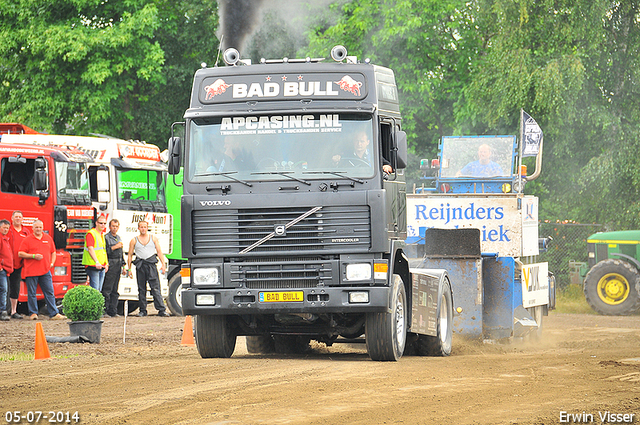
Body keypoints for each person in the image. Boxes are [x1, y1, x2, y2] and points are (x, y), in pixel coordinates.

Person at [18, 219, 65, 320]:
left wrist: (52, 263)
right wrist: (33, 256)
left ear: (42, 228)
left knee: (49, 292)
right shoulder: (27, 239)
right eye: (36, 227)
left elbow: (53, 252)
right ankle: (33, 313)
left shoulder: (48, 238)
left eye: (40, 227)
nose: (38, 229)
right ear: (33, 228)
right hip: (31, 271)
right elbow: (20, 253)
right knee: (32, 293)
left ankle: (54, 314)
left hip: (45, 270)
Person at [126, 221, 169, 317]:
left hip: (151, 265)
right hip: (140, 265)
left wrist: (163, 264)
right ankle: (142, 310)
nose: (143, 229)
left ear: (147, 228)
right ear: (138, 228)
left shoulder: (153, 238)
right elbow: (130, 255)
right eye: (141, 227)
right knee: (141, 289)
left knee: (155, 288)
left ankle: (161, 309)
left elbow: (159, 251)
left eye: (144, 227)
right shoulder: (134, 240)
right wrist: (129, 269)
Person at [7, 210, 30, 319]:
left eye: (19, 217)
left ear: (22, 219)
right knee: (4, 287)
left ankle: (13, 311)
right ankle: (3, 310)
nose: (17, 218)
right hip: (6, 264)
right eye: (16, 217)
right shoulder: (7, 230)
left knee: (15, 287)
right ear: (12, 218)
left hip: (19, 264)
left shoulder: (26, 232)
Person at [102, 219, 125, 318]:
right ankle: (104, 310)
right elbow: (105, 251)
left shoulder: (118, 237)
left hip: (118, 265)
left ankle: (113, 310)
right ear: (109, 227)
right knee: (107, 289)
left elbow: (121, 253)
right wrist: (115, 247)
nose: (114, 228)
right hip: (111, 264)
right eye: (113, 226)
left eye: (116, 226)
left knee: (115, 289)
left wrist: (123, 266)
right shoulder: (106, 238)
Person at [83, 216, 109, 291]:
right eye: (101, 223)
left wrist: (106, 263)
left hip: (101, 265)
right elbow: (90, 248)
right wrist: (96, 262)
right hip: (93, 265)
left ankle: (96, 303)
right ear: (96, 223)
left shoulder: (101, 235)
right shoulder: (91, 233)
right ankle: (94, 303)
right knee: (95, 290)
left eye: (104, 223)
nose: (103, 225)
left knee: (99, 290)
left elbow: (103, 250)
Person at [0, 219, 13, 321]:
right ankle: (3, 311)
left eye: (7, 228)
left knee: (4, 290)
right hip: (2, 269)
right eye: (4, 227)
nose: (6, 229)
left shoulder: (5, 238)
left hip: (6, 269)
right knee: (4, 290)